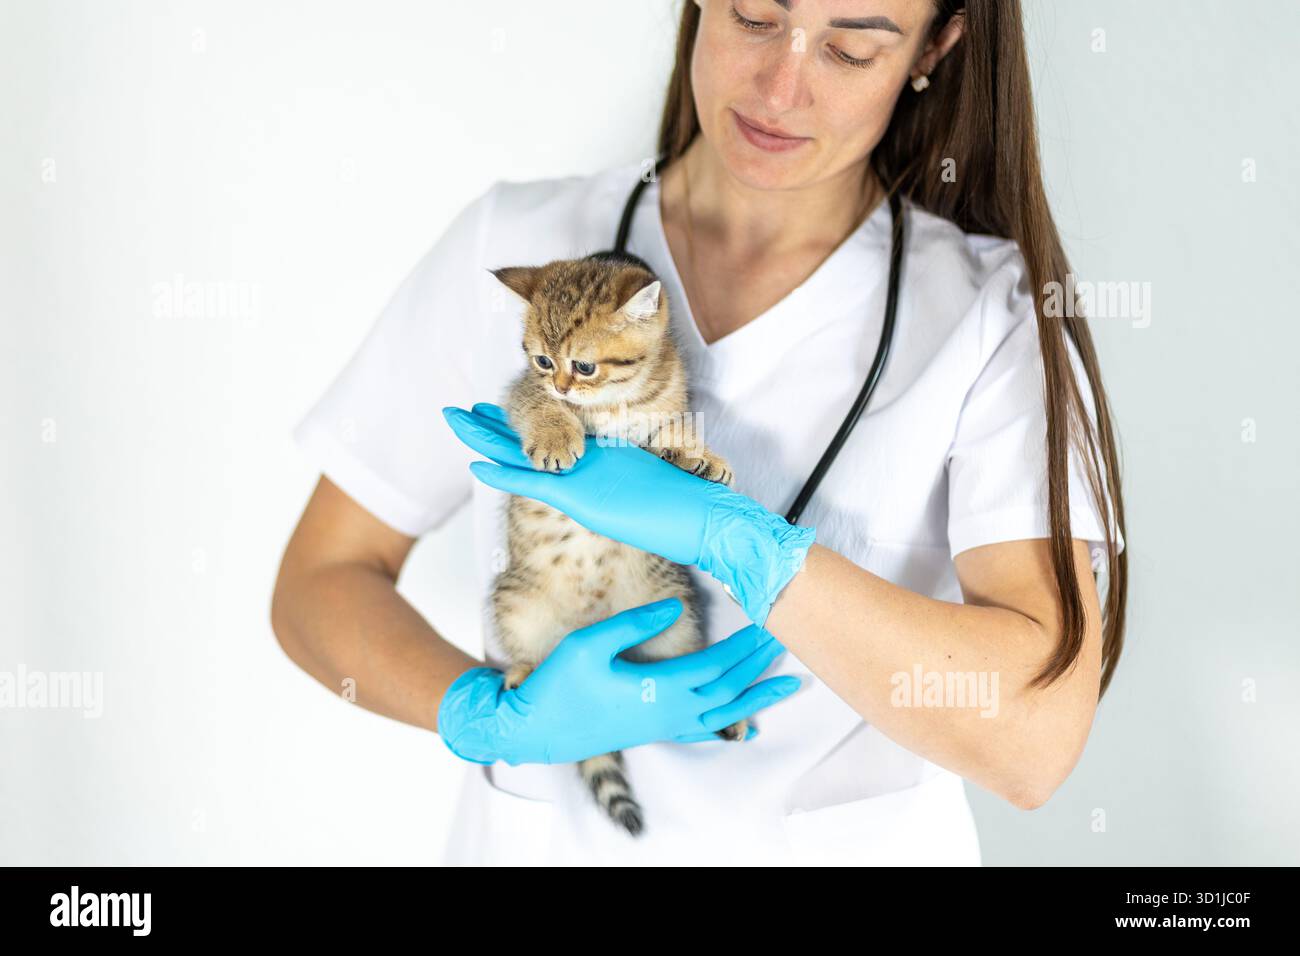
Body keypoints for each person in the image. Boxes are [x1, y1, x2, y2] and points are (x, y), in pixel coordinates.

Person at [271, 0, 1128, 866]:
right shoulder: (519, 244)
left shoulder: (992, 314)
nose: (781, 87)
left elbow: (1033, 743)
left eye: (850, 48)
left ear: (932, 47)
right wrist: (478, 713)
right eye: (755, 18)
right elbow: (323, 578)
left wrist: (749, 548)